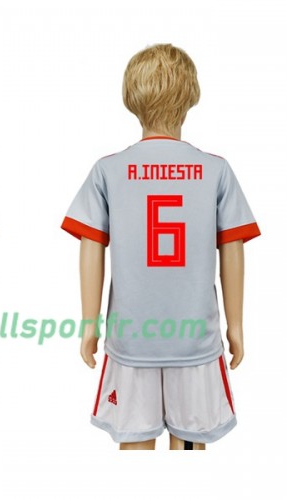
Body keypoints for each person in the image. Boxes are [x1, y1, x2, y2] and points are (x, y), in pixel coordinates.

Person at [61, 44, 260, 450]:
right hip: (195, 340)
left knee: (135, 444)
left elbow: (90, 245)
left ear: (131, 98)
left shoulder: (109, 169)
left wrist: (88, 324)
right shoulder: (215, 169)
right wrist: (236, 326)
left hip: (132, 340)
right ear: (190, 97)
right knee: (189, 444)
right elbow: (233, 247)